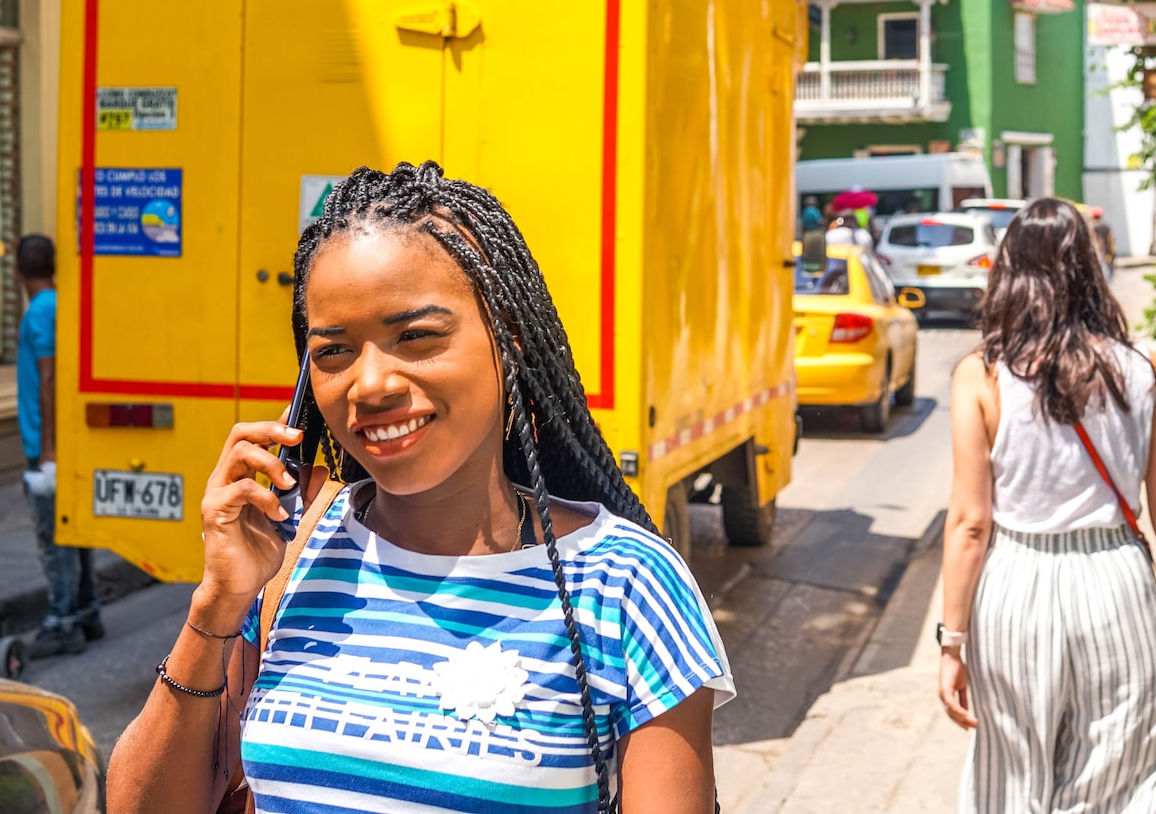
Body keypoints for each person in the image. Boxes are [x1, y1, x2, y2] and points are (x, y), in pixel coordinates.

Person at [109, 162, 732, 813]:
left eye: (416, 337)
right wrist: (217, 602)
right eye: (334, 351)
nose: (370, 383)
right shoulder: (293, 554)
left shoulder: (624, 584)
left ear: (509, 343)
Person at [937, 198, 1156, 813]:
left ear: (1009, 271)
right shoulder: (1144, 370)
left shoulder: (981, 376)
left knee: (1010, 779)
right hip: (1114, 581)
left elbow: (970, 524)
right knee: (1116, 777)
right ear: (1089, 268)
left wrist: (951, 643)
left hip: (1014, 585)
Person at [17, 234, 102, 657]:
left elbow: (48, 378)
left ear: (17, 270)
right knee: (75, 529)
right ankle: (87, 611)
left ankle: (62, 620)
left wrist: (47, 448)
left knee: (54, 539)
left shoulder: (38, 312)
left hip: (45, 443)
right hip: (63, 440)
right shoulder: (60, 303)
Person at [1090, 207, 1115, 282]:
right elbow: (1111, 238)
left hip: (1098, 252)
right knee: (1109, 273)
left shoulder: (1092, 227)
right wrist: (1112, 250)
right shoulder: (1106, 226)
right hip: (1107, 251)